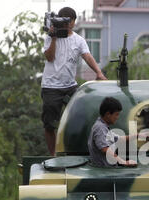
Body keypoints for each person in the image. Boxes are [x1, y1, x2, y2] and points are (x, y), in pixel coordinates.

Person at [41, 7, 107, 156]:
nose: (67, 25)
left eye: (70, 22)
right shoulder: (50, 37)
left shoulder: (78, 40)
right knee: (50, 124)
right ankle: (53, 155)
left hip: (70, 85)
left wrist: (98, 72)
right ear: (59, 21)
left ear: (74, 22)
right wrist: (53, 38)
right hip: (51, 86)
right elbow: (49, 57)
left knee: (84, 114)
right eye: (64, 21)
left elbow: (88, 56)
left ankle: (86, 151)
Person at [88, 97, 138, 167]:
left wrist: (139, 135)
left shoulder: (104, 127)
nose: (117, 117)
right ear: (108, 114)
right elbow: (105, 149)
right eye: (116, 114)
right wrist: (124, 162)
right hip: (104, 171)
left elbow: (120, 138)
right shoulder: (100, 128)